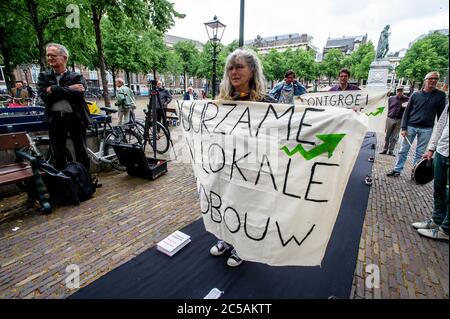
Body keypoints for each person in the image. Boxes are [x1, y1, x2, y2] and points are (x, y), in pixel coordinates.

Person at [211, 48, 276, 268]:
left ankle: (242, 246)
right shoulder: (222, 101)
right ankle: (227, 239)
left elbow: (290, 125)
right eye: (230, 67)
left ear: (252, 71)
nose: (234, 72)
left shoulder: (267, 102)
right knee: (228, 203)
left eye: (239, 67)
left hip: (252, 166)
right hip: (227, 164)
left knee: (246, 207)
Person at [37, 43, 91, 173]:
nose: (49, 58)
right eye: (48, 55)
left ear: (64, 58)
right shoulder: (43, 76)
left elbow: (79, 94)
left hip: (75, 118)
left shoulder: (76, 76)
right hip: (55, 120)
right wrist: (69, 89)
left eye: (53, 55)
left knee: (81, 150)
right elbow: (44, 96)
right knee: (58, 153)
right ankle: (63, 183)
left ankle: (84, 180)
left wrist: (53, 90)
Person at [387, 71, 446, 177]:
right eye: (430, 78)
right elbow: (407, 112)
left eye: (435, 78)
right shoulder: (415, 95)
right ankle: (397, 169)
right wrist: (404, 127)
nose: (433, 80)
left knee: (420, 153)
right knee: (403, 150)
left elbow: (442, 116)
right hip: (411, 126)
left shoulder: (440, 95)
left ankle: (416, 172)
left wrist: (441, 131)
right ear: (425, 80)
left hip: (427, 129)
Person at [411, 103, 448, 241]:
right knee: (439, 188)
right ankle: (437, 220)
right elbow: (441, 124)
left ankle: (446, 229)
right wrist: (432, 148)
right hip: (442, 150)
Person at [380, 86, 409, 156]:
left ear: (403, 91)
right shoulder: (391, 98)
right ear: (396, 91)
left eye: (401, 90)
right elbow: (387, 107)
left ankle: (391, 150)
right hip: (390, 118)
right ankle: (385, 149)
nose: (399, 92)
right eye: (398, 90)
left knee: (394, 137)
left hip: (399, 119)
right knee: (387, 135)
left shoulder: (407, 99)